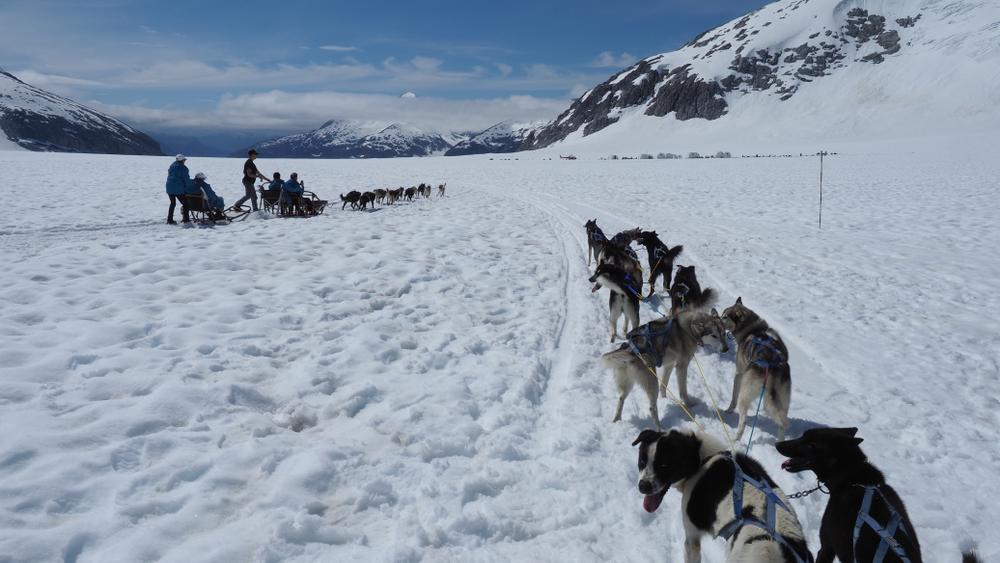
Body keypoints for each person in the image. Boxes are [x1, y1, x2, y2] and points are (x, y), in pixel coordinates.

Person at [165, 154, 191, 224]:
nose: (184, 161)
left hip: (169, 187)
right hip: (178, 189)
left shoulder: (172, 166)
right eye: (184, 160)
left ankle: (169, 220)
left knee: (172, 203)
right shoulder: (183, 168)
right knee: (186, 204)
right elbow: (186, 180)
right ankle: (186, 219)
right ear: (182, 160)